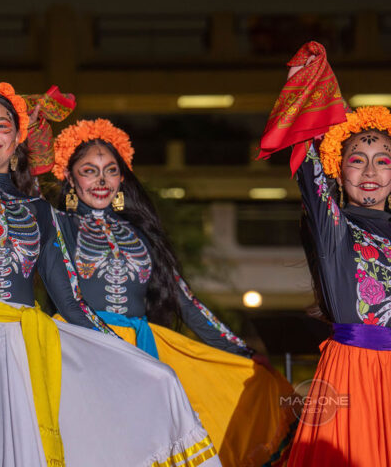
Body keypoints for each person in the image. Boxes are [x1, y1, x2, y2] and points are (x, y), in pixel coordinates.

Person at [0, 79, 220, 466]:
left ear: (17, 138)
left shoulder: (40, 211)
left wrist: (132, 357)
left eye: (2, 125)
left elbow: (70, 302)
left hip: (20, 350)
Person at [50, 118, 296, 465]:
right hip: (80, 346)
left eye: (111, 171)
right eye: (89, 171)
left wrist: (240, 350)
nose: (102, 181)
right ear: (69, 176)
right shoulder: (57, 226)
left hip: (142, 347)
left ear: (123, 178)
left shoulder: (141, 234)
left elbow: (187, 302)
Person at [261, 43, 391, 466]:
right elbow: (307, 167)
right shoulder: (334, 225)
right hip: (355, 373)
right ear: (339, 167)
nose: (370, 172)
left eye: (382, 161)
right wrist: (303, 87)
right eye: (357, 160)